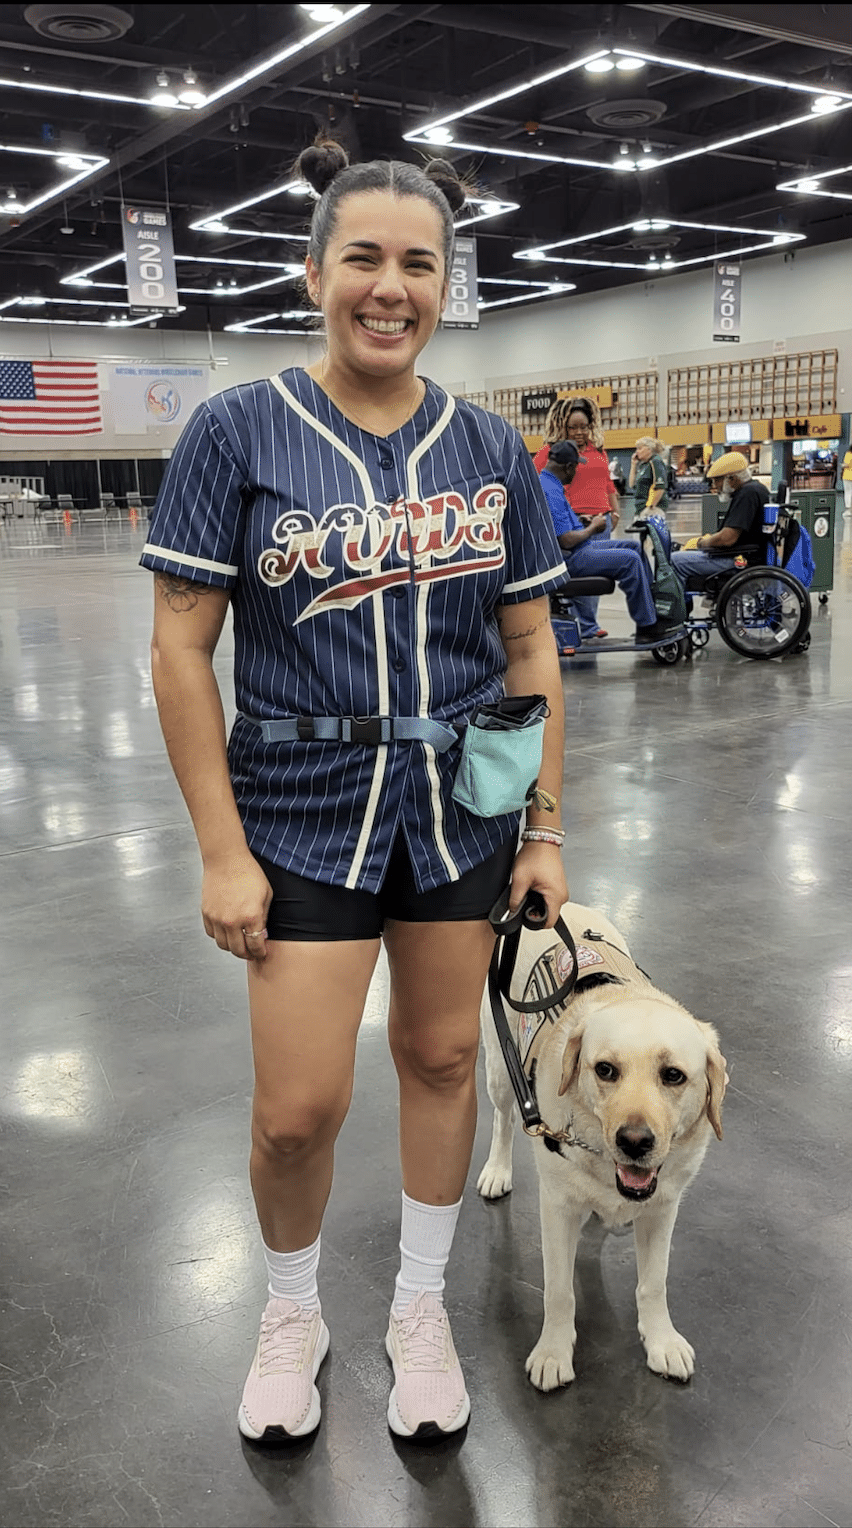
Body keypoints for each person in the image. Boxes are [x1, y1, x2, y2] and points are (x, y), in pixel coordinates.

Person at [140, 139, 570, 1446]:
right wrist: (221, 849)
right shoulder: (236, 428)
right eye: (365, 260)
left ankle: (419, 1308)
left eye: (418, 263)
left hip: (461, 803)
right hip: (299, 804)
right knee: (296, 1111)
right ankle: (289, 1312)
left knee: (443, 1056)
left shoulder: (491, 450)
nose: (391, 287)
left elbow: (533, 647)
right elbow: (179, 647)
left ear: (449, 283)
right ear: (315, 271)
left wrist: (545, 827)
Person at [540, 441, 669, 645]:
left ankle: (651, 609)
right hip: (569, 558)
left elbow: (560, 527)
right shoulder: (551, 491)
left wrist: (580, 521)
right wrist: (593, 528)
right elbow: (565, 540)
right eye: (576, 467)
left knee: (633, 547)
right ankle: (647, 626)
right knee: (630, 560)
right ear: (568, 467)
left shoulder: (548, 483)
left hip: (574, 551)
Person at [534, 397, 620, 640]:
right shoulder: (551, 452)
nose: (580, 432)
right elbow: (537, 482)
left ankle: (589, 624)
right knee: (580, 577)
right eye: (573, 427)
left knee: (596, 578)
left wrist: (615, 511)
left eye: (583, 426)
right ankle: (581, 626)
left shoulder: (598, 450)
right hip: (575, 523)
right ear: (564, 427)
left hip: (601, 520)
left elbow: (607, 484)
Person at [671, 450, 769, 593]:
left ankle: (677, 610)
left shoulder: (747, 495)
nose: (715, 486)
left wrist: (702, 543)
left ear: (732, 479)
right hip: (744, 553)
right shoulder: (755, 489)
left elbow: (728, 538)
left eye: (717, 480)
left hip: (740, 559)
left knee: (675, 560)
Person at [629, 436, 669, 516]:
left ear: (649, 449)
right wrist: (633, 465)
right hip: (640, 508)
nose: (637, 452)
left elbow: (660, 487)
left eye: (640, 449)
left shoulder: (655, 462)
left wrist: (651, 507)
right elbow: (631, 485)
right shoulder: (643, 465)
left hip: (652, 509)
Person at [841, 442, 852, 514]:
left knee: (848, 492)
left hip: (847, 476)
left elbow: (846, 464)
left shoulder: (848, 454)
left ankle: (848, 510)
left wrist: (841, 465)